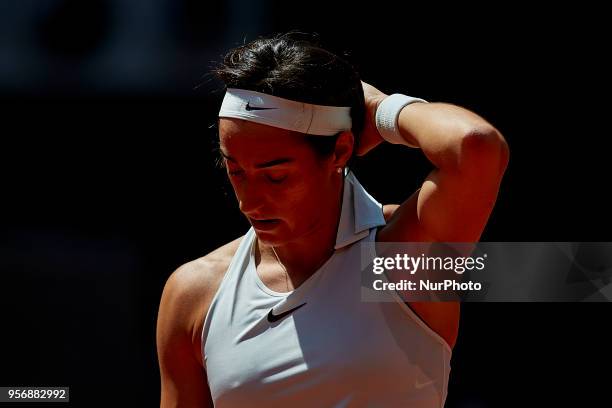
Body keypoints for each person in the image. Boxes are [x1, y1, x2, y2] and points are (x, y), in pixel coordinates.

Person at [156, 31, 509, 407]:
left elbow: (475, 146)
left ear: (340, 151)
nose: (249, 200)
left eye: (276, 176)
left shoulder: (403, 258)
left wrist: (381, 108)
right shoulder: (194, 294)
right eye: (235, 171)